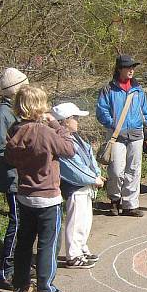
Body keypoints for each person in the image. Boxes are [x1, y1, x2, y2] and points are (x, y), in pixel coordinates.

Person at [5, 85, 75, 292]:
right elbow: (68, 149)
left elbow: (8, 157)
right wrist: (56, 124)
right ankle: (46, 291)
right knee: (48, 244)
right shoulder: (43, 131)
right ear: (40, 107)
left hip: (25, 194)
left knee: (24, 243)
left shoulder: (15, 130)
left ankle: (21, 287)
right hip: (47, 197)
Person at [96, 54, 147, 217]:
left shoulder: (138, 89)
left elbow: (145, 112)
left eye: (133, 67)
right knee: (115, 170)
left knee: (133, 170)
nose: (131, 70)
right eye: (128, 67)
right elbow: (102, 110)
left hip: (136, 134)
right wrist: (113, 124)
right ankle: (115, 200)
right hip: (116, 135)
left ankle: (130, 204)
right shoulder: (108, 89)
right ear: (119, 69)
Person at [0, 67, 29, 289]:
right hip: (13, 178)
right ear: (15, 90)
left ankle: (20, 265)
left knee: (25, 223)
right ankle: (5, 270)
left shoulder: (14, 111)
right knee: (17, 222)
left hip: (23, 177)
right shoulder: (2, 115)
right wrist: (21, 158)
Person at [53, 103, 103, 269]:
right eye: (75, 118)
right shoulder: (61, 141)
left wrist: (96, 174)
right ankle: (73, 255)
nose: (78, 121)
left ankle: (81, 248)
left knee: (85, 220)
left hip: (86, 186)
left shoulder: (76, 138)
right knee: (76, 222)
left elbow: (89, 156)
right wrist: (92, 179)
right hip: (75, 187)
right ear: (66, 121)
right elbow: (72, 168)